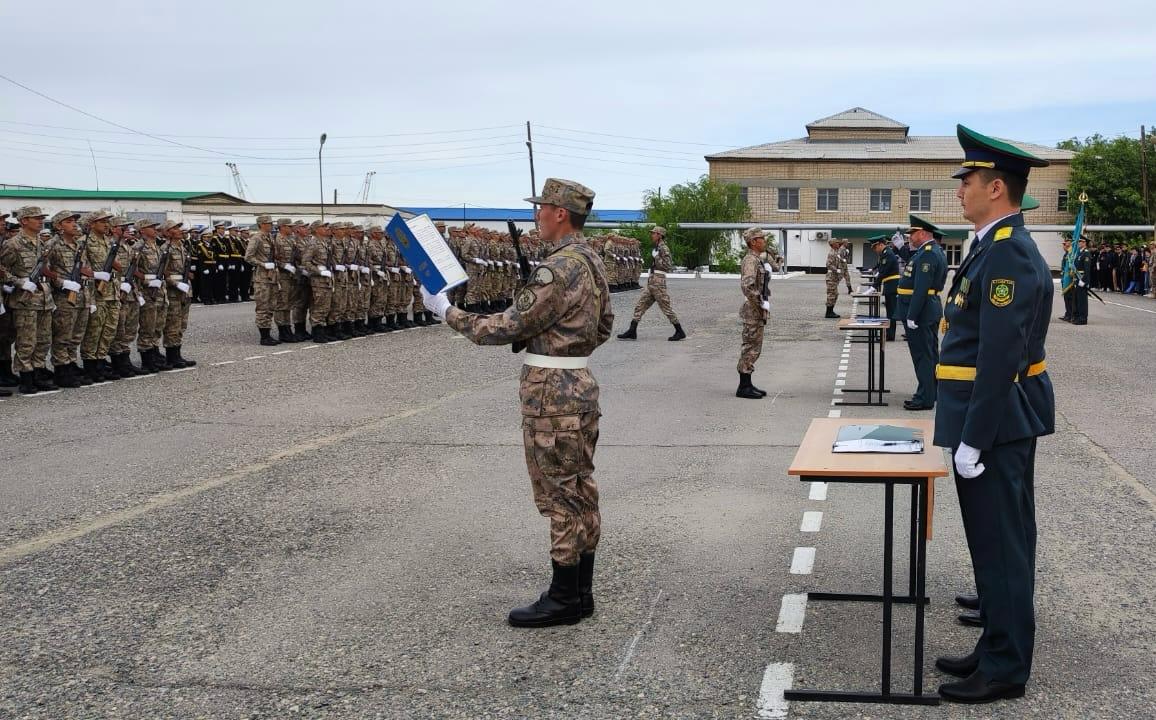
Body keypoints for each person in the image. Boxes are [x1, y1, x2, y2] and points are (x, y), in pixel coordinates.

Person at [420, 178, 612, 628]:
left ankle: (565, 598)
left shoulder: (556, 268)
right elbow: (603, 326)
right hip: (579, 383)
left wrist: (446, 312)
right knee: (581, 487)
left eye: (542, 208)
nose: (537, 215)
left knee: (560, 495)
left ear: (560, 213)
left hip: (552, 394)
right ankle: (579, 592)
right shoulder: (590, 261)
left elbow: (506, 326)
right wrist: (564, 342)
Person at [932, 125, 1055, 704]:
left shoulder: (1007, 253)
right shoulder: (989, 244)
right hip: (986, 421)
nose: (961, 190)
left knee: (1003, 545)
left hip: (997, 424)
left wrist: (974, 439)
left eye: (969, 180)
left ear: (997, 188)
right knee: (991, 543)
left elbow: (999, 355)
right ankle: (995, 645)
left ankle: (1006, 667)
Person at [0, 206, 56, 395]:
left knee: (43, 340)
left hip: (44, 298)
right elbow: (2, 270)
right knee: (26, 341)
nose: (40, 221)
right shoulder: (13, 244)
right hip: (25, 301)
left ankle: (38, 373)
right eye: (36, 218)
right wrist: (18, 282)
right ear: (24, 221)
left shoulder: (42, 243)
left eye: (41, 218)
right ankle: (26, 377)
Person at [896, 216, 947, 411]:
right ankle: (930, 392)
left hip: (921, 311)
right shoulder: (927, 252)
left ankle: (924, 397)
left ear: (924, 233)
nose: (910, 237)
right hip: (926, 310)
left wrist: (912, 315)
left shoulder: (928, 254)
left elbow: (921, 288)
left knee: (923, 356)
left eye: (912, 233)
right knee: (930, 354)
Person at [616, 226, 686, 341]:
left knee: (666, 308)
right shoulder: (657, 247)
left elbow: (667, 266)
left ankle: (679, 331)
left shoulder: (664, 248)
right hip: (652, 281)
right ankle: (632, 331)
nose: (652, 235)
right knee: (640, 305)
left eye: (654, 233)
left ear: (659, 235)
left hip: (658, 282)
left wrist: (657, 257)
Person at [736, 227, 771, 399]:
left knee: (754, 347)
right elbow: (748, 285)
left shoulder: (757, 259)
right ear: (753, 242)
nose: (764, 241)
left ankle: (747, 383)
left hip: (756, 308)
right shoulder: (750, 260)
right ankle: (743, 387)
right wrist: (760, 303)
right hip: (752, 309)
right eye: (761, 238)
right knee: (750, 347)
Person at [869, 234, 900, 341]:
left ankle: (890, 335)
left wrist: (873, 287)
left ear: (880, 244)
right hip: (889, 284)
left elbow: (883, 272)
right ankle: (889, 334)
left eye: (875, 247)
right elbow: (881, 268)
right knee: (889, 311)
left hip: (892, 285)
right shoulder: (884, 253)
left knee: (891, 312)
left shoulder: (888, 254)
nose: (874, 250)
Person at [824, 239, 852, 318]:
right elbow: (828, 264)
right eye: (836, 242)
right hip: (831, 277)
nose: (838, 243)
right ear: (832, 244)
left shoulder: (836, 252)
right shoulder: (832, 253)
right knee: (832, 294)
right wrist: (836, 270)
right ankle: (828, 312)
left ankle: (831, 311)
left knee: (835, 294)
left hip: (835, 277)